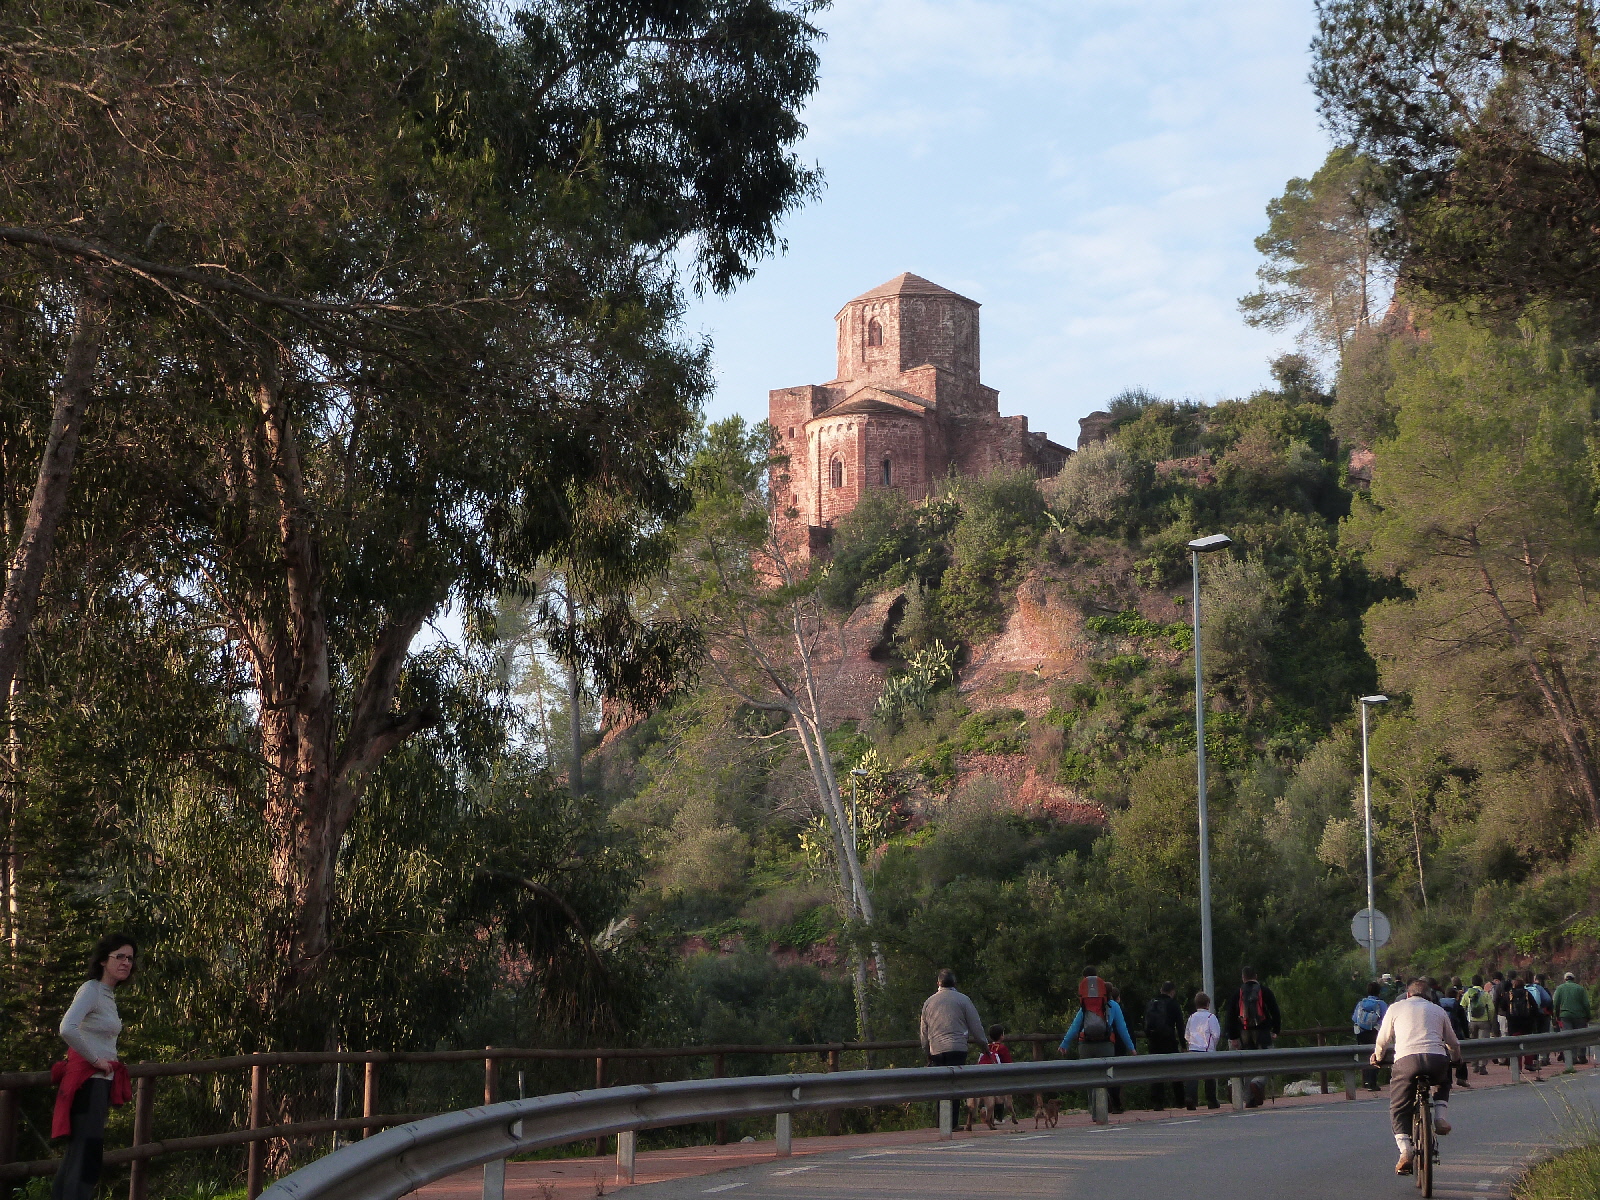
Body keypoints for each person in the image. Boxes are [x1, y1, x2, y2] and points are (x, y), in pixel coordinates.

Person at [53, 934, 136, 1200]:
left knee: (81, 1153)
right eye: (119, 956)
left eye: (130, 958)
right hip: (88, 1082)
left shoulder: (107, 994)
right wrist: (95, 1060)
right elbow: (67, 1028)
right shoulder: (91, 989)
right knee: (86, 1153)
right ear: (102, 960)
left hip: (99, 1083)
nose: (125, 962)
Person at [1373, 977, 1462, 1176]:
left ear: (1407, 994)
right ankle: (1440, 1118)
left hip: (1406, 1062)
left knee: (1398, 1106)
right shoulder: (1437, 1010)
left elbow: (1382, 1040)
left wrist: (1378, 1057)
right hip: (1435, 1060)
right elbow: (1453, 1043)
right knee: (1443, 1081)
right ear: (1430, 995)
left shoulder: (1395, 1008)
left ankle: (1405, 1150)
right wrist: (1456, 1059)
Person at [1060, 968, 1136, 1114]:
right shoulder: (1113, 1006)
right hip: (1106, 1045)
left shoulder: (1086, 1006)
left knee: (1090, 1079)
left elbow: (1075, 1026)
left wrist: (1065, 1043)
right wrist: (1131, 1047)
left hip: (1086, 1045)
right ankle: (1105, 1108)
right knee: (1107, 1076)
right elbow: (1122, 1029)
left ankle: (1094, 1110)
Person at [1222, 966, 1281, 1107]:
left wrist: (1233, 1037)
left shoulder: (1238, 993)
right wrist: (1275, 1030)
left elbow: (1230, 1016)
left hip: (1244, 1033)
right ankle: (1258, 1082)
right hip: (1263, 1033)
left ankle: (1247, 1098)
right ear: (1256, 976)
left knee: (1246, 1064)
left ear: (1243, 977)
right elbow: (1275, 1011)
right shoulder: (1264, 991)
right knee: (1268, 1060)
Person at [920, 968, 987, 1067]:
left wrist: (927, 1052)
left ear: (938, 983)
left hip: (936, 1049)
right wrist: (984, 1047)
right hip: (958, 1049)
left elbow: (924, 1032)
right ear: (954, 983)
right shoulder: (964, 1000)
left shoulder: (929, 1002)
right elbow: (976, 1026)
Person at [1142, 981, 1185, 1110]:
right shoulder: (1173, 1004)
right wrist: (1183, 1045)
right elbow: (1180, 1026)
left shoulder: (1151, 1003)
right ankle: (1179, 1101)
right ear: (1172, 991)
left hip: (1154, 1042)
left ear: (1161, 990)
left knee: (1156, 1071)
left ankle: (1157, 1102)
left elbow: (1146, 1023)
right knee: (1175, 1071)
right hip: (1169, 1041)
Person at [970, 1023, 1016, 1129]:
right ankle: (998, 1117)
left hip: (983, 1074)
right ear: (1002, 1036)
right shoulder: (1002, 1048)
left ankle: (984, 1110)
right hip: (997, 1076)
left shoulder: (987, 1047)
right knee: (1000, 1096)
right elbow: (1008, 1064)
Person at [1183, 991, 1221, 1110]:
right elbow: (1216, 1034)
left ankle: (1190, 1098)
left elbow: (1187, 1034)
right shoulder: (1211, 1017)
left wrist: (1191, 1043)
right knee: (1209, 1076)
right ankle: (1211, 1100)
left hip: (1193, 1049)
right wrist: (1212, 1046)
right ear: (1208, 1004)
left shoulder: (1192, 1017)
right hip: (1206, 1049)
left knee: (1193, 1076)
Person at [1352, 982, 1388, 1091]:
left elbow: (1354, 1018)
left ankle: (1366, 1081)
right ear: (1379, 992)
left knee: (1364, 1056)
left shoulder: (1361, 1003)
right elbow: (1386, 1019)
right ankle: (1373, 1082)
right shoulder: (1381, 1004)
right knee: (1376, 1055)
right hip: (1375, 1033)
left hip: (1361, 1033)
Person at [1506, 975, 1540, 1079]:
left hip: (1513, 1023)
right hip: (1527, 1022)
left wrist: (1509, 1016)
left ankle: (1518, 1066)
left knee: (1515, 1045)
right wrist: (1532, 1017)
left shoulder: (1509, 994)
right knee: (1527, 1043)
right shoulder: (1527, 994)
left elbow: (1503, 1006)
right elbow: (1535, 1006)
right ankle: (1529, 1063)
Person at [1553, 971, 1591, 1065]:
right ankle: (1582, 1056)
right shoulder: (1580, 988)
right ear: (1573, 979)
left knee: (1569, 1037)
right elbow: (1586, 1004)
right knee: (1581, 1036)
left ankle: (1572, 1057)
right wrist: (1588, 1016)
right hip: (1580, 1016)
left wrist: (1556, 1016)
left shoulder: (1560, 988)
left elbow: (1556, 1003)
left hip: (1565, 1016)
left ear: (1565, 979)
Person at [1439, 985, 1471, 1088]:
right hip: (1456, 1033)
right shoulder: (1457, 1005)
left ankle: (1448, 1081)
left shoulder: (1439, 1004)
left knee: (1446, 1056)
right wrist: (1467, 1035)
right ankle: (1461, 1078)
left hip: (1442, 1034)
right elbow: (1463, 1022)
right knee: (1460, 1055)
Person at [1462, 974, 1494, 1075]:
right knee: (1483, 1044)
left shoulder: (1467, 994)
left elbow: (1462, 1006)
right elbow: (1491, 1008)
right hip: (1484, 1021)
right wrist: (1490, 1019)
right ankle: (1482, 1066)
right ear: (1481, 983)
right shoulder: (1485, 994)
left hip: (1471, 1021)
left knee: (1473, 1044)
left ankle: (1474, 1065)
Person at [1530, 973, 1554, 1066]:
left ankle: (1534, 1057)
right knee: (1545, 1036)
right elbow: (1549, 1001)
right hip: (1544, 1014)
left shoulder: (1530, 988)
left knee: (1535, 1036)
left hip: (1533, 1015)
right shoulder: (1545, 990)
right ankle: (1544, 1057)